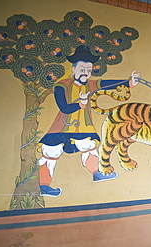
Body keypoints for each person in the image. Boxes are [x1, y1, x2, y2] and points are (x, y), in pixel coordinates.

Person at [37, 45, 140, 197]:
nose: (85, 73)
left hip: (84, 128)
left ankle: (97, 173)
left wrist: (128, 83)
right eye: (82, 69)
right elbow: (64, 108)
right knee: (50, 153)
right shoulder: (61, 85)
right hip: (61, 128)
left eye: (88, 69)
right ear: (73, 69)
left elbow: (106, 83)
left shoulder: (90, 85)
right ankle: (44, 186)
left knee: (90, 147)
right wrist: (79, 104)